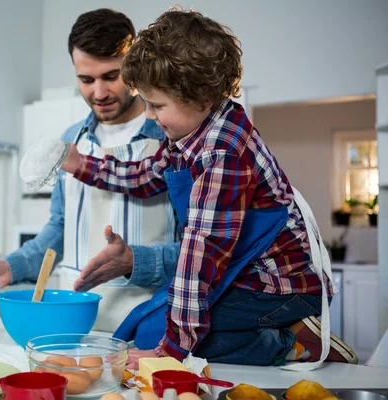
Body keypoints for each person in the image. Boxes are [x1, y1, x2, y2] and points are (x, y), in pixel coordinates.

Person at [61, 9, 358, 367]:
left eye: (157, 106)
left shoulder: (223, 152)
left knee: (162, 336)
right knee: (151, 323)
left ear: (201, 98)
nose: (152, 117)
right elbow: (145, 175)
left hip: (283, 288)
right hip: (244, 277)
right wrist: (82, 165)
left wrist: (168, 354)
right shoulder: (191, 131)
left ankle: (294, 342)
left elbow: (201, 253)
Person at [0, 8, 179, 332]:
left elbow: (205, 249)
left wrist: (134, 261)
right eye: (86, 80)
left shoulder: (171, 135)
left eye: (111, 76)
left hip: (151, 325)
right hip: (74, 324)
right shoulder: (70, 140)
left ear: (134, 65)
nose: (99, 93)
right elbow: (61, 227)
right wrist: (11, 266)